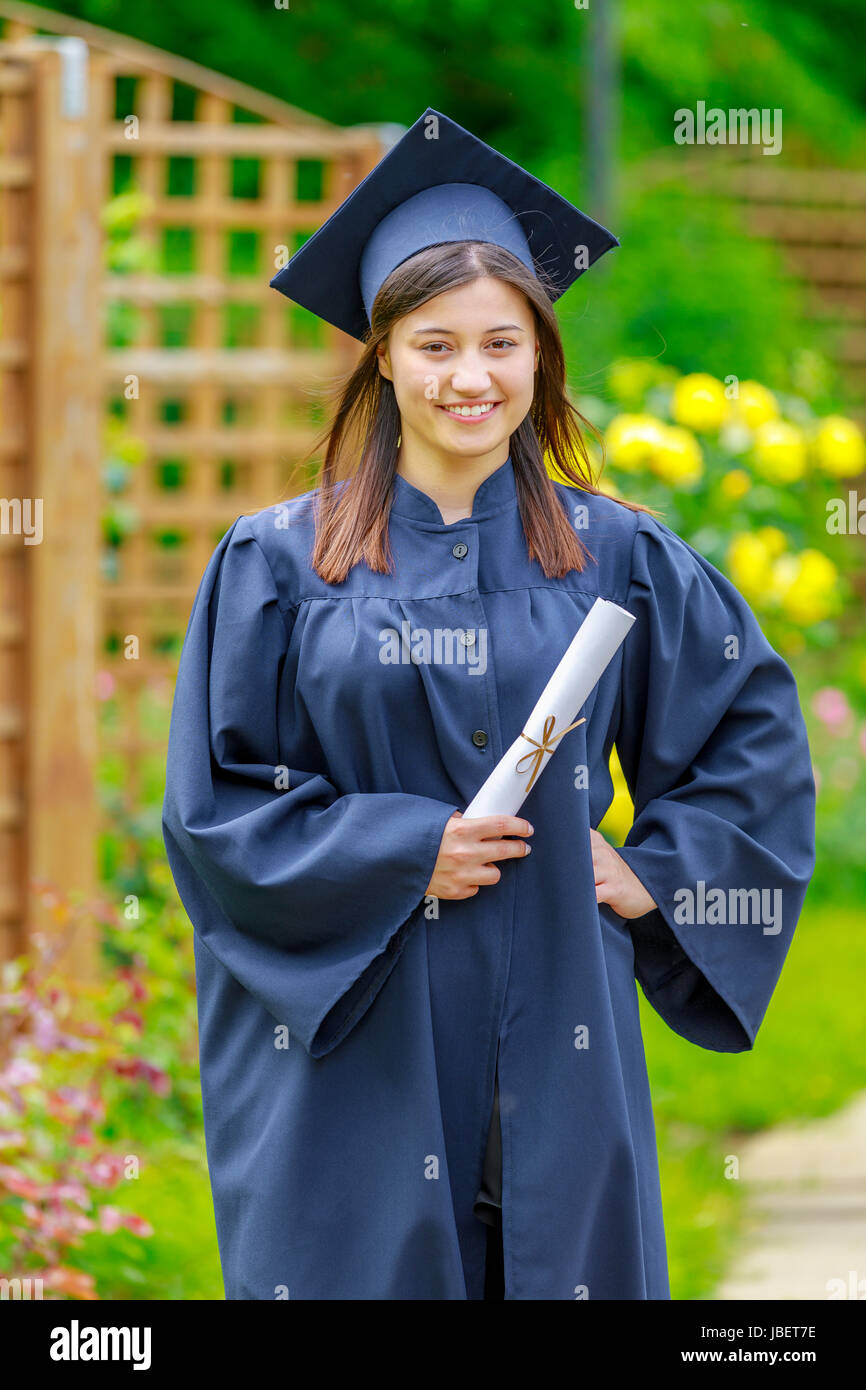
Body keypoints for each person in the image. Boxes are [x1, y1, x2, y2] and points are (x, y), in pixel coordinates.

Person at [162, 108, 816, 1300]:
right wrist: (408, 850)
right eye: (434, 345)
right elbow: (218, 814)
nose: (470, 376)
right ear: (381, 356)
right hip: (360, 1045)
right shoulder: (274, 564)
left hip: (557, 1012)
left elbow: (747, 732)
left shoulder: (617, 554)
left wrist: (658, 872)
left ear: (539, 356)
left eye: (501, 343)